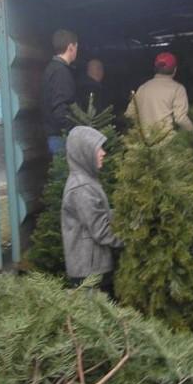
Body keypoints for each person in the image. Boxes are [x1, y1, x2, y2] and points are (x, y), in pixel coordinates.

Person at [61, 126, 123, 297]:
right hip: (89, 272)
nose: (103, 153)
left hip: (93, 266)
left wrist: (123, 212)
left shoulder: (87, 180)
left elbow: (98, 213)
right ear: (84, 153)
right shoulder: (82, 188)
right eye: (97, 149)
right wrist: (133, 240)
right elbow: (101, 231)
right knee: (97, 321)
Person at [125, 51, 193, 133]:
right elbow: (180, 118)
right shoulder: (177, 89)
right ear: (175, 69)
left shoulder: (143, 88)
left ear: (155, 68)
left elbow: (129, 114)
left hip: (144, 141)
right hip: (167, 141)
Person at [41, 29, 79, 154]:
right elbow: (60, 108)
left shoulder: (52, 68)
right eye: (76, 47)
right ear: (71, 47)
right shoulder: (60, 72)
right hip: (60, 138)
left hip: (55, 136)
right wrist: (73, 131)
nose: (77, 51)